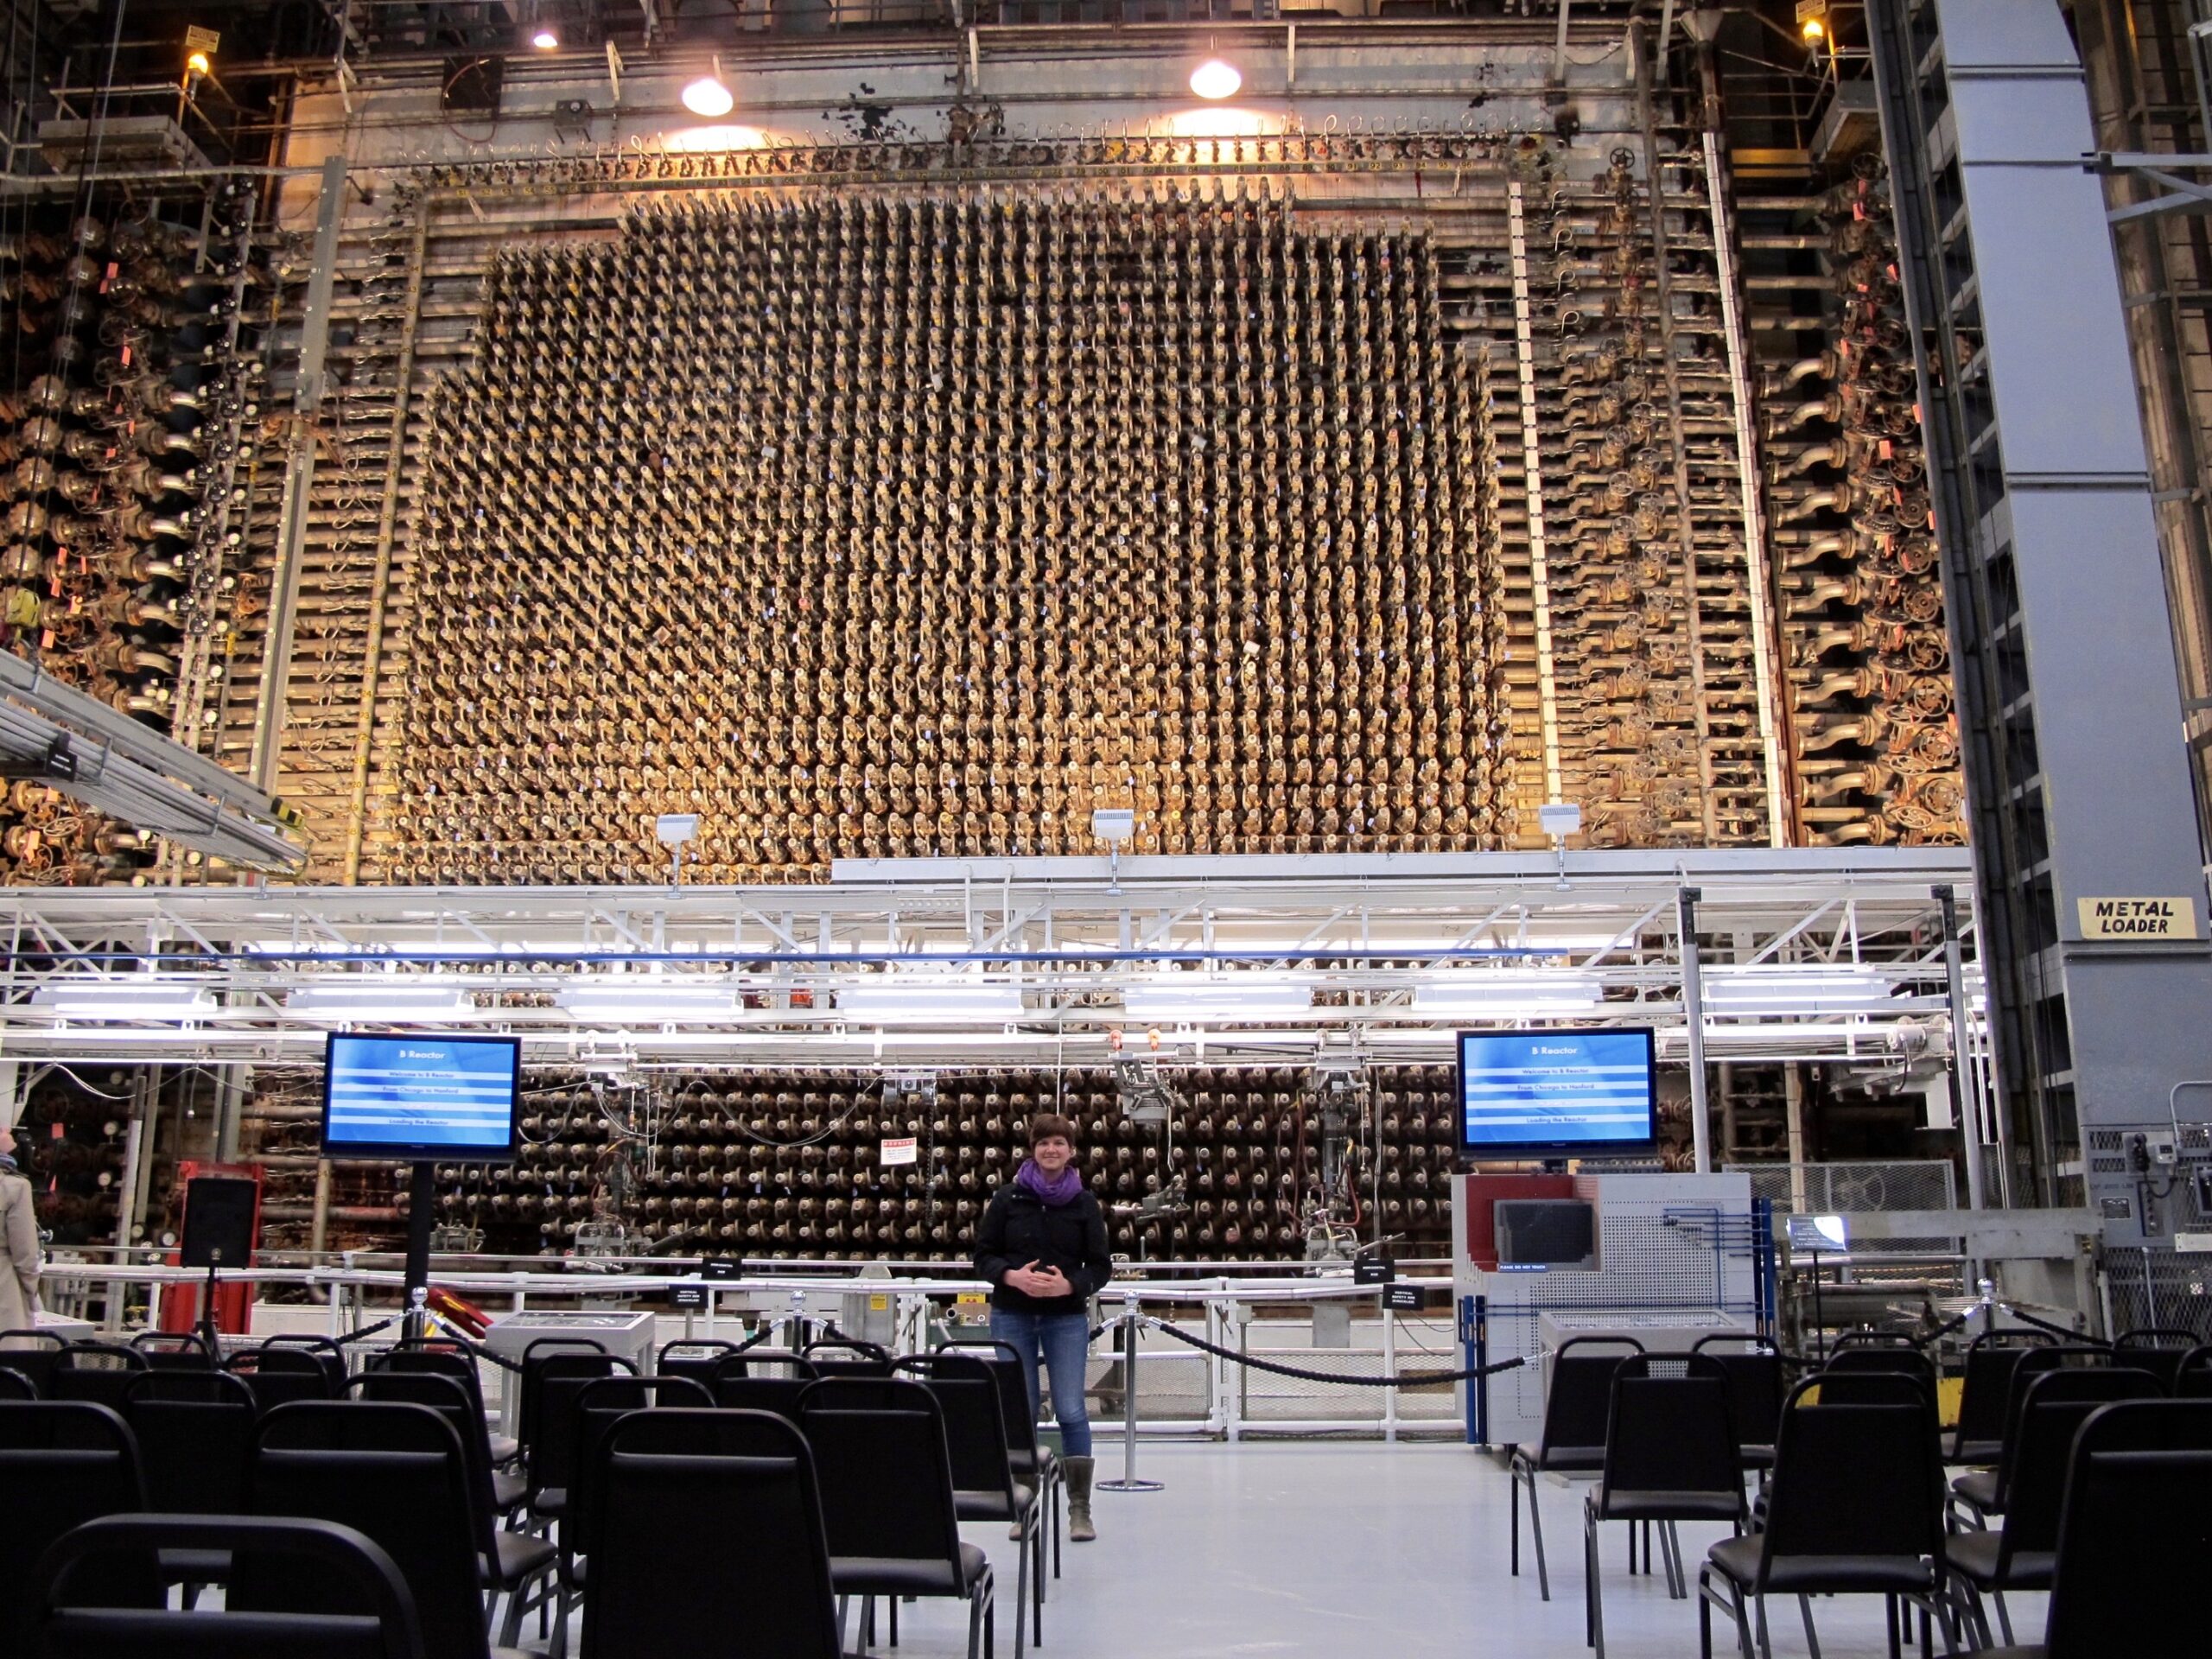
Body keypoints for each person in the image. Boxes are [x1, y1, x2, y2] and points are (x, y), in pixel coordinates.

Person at [974, 1112, 1112, 1542]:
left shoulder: (1084, 1204)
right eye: (1043, 1143)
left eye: (1059, 1143)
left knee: (1071, 1409)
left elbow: (1101, 1267)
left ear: (1071, 1151)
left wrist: (1069, 1285)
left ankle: (1079, 1509)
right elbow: (983, 1256)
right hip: (1012, 1314)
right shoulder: (1007, 1199)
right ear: (1032, 1150)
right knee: (1022, 1410)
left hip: (1065, 1318)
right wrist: (1012, 1277)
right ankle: (1023, 1505)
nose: (1051, 1149)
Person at [0, 1123, 41, 1345]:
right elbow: (25, 1253)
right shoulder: (15, 1187)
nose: (8, 1130)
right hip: (5, 1287)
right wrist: (31, 1288)